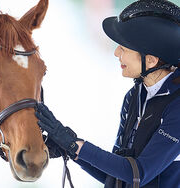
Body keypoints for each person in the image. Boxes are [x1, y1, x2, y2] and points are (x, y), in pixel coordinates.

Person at [35, 0, 180, 187]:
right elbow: (116, 176)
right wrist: (71, 148)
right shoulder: (135, 96)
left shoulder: (177, 108)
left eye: (124, 48)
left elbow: (138, 174)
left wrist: (74, 145)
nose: (116, 53)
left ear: (150, 60)